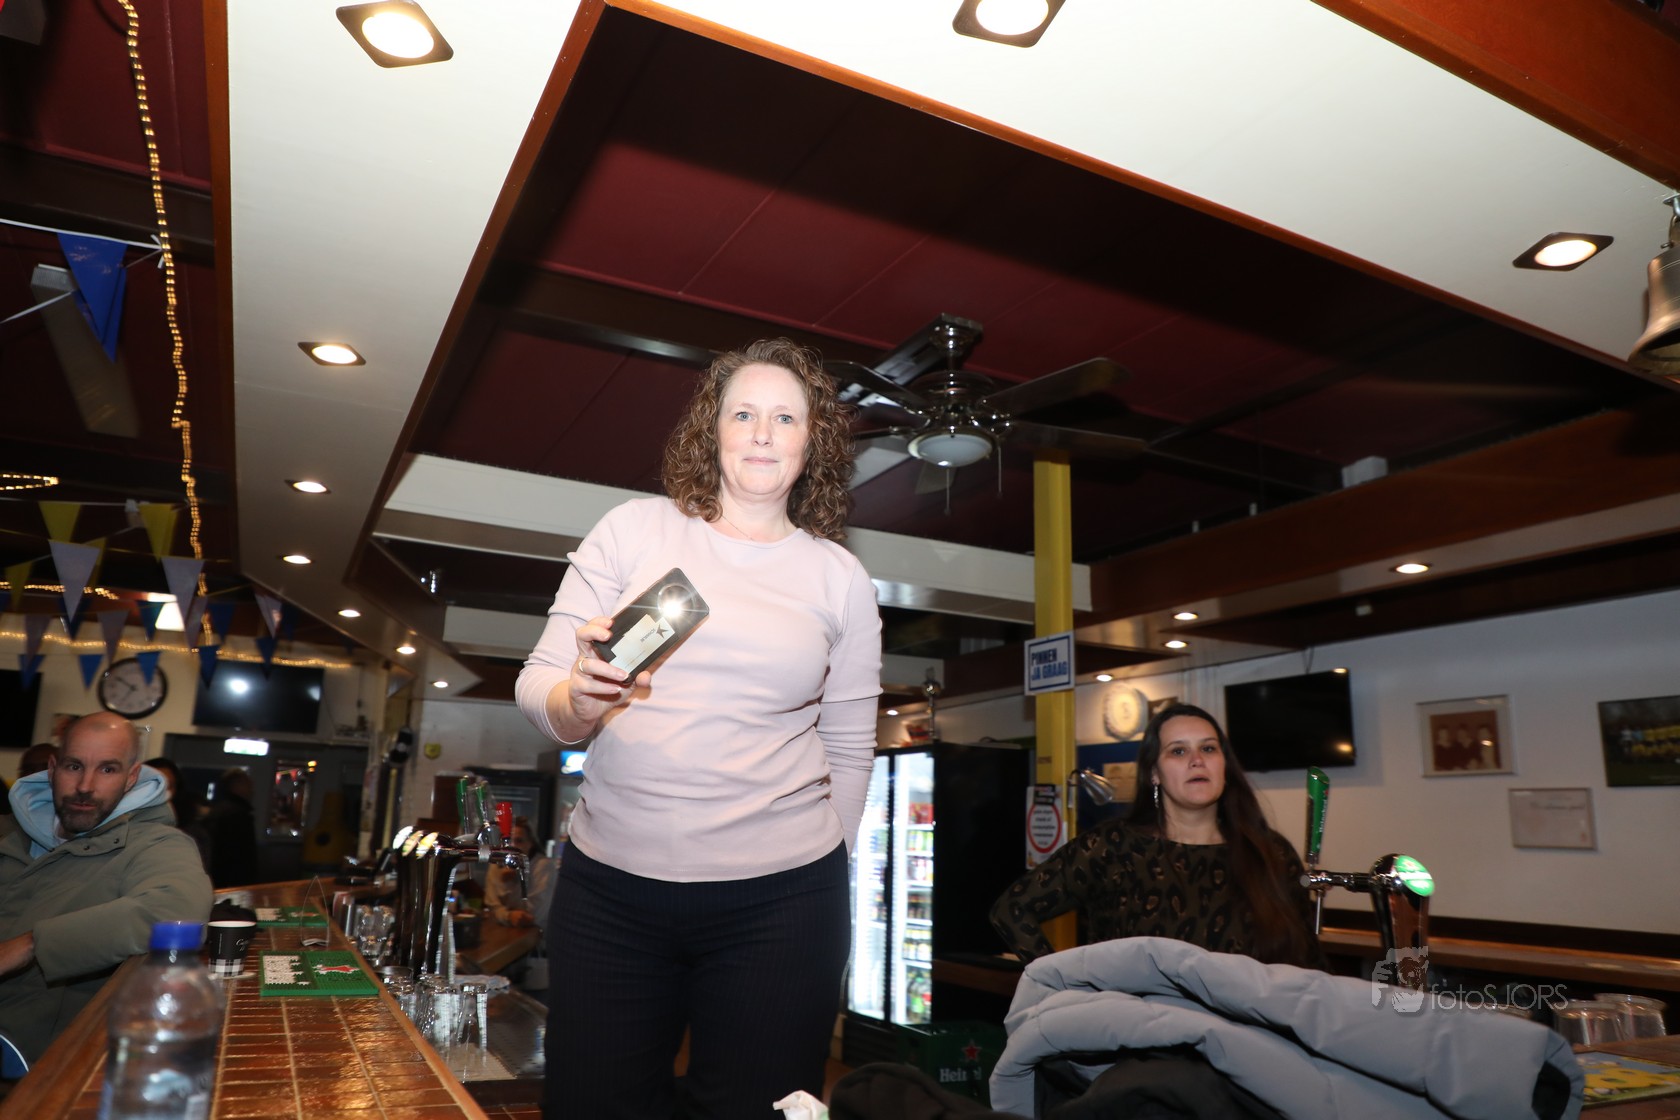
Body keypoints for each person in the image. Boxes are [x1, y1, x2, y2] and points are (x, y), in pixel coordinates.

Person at [515, 338, 882, 1119]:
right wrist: (580, 699)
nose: (761, 433)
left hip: (783, 904)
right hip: (611, 893)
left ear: (813, 440)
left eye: (785, 417)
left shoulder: (841, 577)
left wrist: (831, 868)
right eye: (743, 414)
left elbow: (851, 743)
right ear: (710, 430)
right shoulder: (633, 529)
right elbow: (537, 684)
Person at [990, 702, 1325, 971]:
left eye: (1208, 749)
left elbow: (1308, 960)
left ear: (1224, 765)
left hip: (1249, 1033)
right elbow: (1011, 910)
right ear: (1154, 773)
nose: (1197, 760)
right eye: (1178, 751)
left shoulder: (1270, 851)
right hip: (1139, 1034)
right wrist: (1068, 992)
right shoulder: (1112, 847)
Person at [0, 712, 213, 1063]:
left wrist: (31, 944)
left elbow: (176, 913)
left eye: (107, 769)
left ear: (131, 777)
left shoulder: (156, 844)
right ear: (52, 769)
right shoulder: (8, 830)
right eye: (74, 766)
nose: (85, 786)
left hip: (30, 1062)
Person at [484, 816, 556, 929]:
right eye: (507, 841)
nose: (512, 846)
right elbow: (491, 907)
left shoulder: (543, 866)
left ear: (530, 844)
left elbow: (533, 915)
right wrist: (509, 916)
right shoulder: (495, 865)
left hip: (538, 934)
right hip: (505, 931)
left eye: (519, 841)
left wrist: (517, 877)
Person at [145, 756, 213, 872]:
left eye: (168, 786)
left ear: (177, 790)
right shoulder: (124, 823)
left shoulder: (191, 833)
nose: (160, 792)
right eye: (154, 785)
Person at [203, 767, 260, 887]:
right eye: (248, 784)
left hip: (216, 879)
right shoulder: (238, 815)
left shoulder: (219, 810)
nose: (252, 790)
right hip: (232, 883)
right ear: (237, 785)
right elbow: (241, 857)